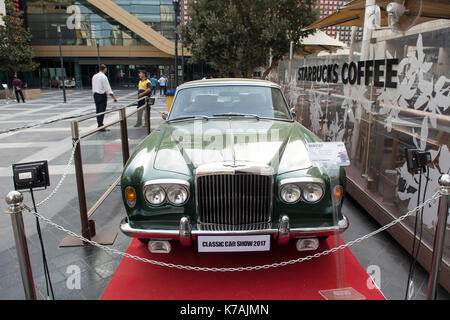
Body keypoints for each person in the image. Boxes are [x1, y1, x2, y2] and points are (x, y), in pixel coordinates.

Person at [92, 64, 117, 132]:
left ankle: (99, 124)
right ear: (104, 69)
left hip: (95, 95)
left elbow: (93, 87)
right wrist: (113, 97)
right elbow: (107, 88)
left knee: (98, 110)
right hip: (101, 95)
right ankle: (100, 126)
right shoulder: (104, 77)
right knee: (102, 110)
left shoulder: (94, 76)